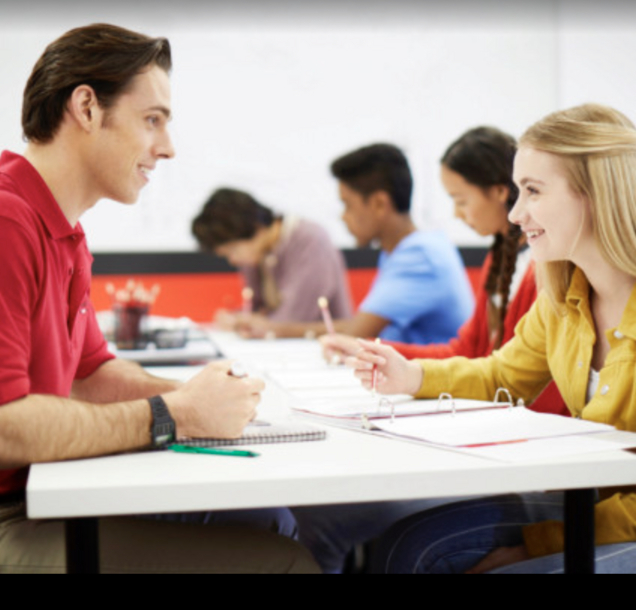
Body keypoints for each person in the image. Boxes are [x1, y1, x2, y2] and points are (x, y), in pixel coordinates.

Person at [0, 23, 318, 574]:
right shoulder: (8, 222)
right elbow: (5, 426)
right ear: (87, 108)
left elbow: (90, 374)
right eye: (153, 120)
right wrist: (174, 414)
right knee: (284, 562)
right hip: (12, 515)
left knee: (269, 519)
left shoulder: (65, 231)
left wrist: (199, 397)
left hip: (36, 494)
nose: (167, 148)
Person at [348, 103, 636, 574]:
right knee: (408, 545)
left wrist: (538, 544)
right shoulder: (563, 294)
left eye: (532, 191)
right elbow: (501, 373)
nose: (514, 214)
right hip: (589, 500)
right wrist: (409, 375)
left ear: (596, 194)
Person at [321, 127, 567, 417]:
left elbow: (519, 378)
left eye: (461, 201)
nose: (456, 214)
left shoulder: (543, 268)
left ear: (499, 192)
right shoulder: (499, 259)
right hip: (494, 405)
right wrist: (380, 353)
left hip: (524, 418)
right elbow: (467, 351)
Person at [235, 143, 474, 344]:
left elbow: (356, 332)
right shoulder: (401, 251)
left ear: (379, 204)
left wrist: (273, 329)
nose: (343, 216)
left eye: (347, 205)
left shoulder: (420, 256)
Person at [191, 187, 352, 329]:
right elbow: (259, 311)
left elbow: (292, 319)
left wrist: (245, 322)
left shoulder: (309, 239)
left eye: (232, 250)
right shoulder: (257, 253)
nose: (233, 260)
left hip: (326, 349)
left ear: (257, 228)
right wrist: (235, 317)